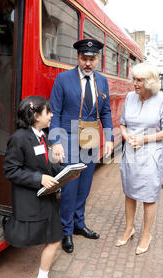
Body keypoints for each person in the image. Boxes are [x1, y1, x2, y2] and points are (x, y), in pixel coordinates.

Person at [49, 39, 114, 253]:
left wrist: (110, 137)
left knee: (85, 185)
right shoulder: (63, 79)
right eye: (84, 58)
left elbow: (105, 112)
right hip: (68, 137)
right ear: (77, 58)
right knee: (69, 188)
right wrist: (56, 142)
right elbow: (55, 112)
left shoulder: (102, 81)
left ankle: (79, 224)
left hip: (91, 136)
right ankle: (66, 230)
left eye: (92, 59)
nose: (88, 63)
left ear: (97, 60)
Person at [3, 96, 71, 278]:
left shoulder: (40, 134)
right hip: (32, 198)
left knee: (54, 237)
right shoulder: (19, 138)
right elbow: (10, 171)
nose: (51, 115)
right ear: (35, 115)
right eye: (47, 112)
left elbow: (42, 165)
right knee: (54, 238)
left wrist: (63, 169)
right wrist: (39, 178)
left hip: (44, 197)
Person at [117, 63, 163, 255]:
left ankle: (146, 234)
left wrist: (144, 139)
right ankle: (129, 228)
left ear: (150, 82)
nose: (135, 83)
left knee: (149, 196)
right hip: (130, 153)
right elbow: (122, 124)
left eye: (139, 80)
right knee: (129, 192)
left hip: (150, 153)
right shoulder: (130, 97)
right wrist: (126, 136)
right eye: (134, 79)